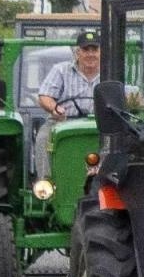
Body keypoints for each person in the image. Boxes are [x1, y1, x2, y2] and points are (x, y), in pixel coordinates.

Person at [35, 31, 101, 176]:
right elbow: (44, 96)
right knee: (43, 138)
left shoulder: (109, 72)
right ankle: (46, 185)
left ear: (100, 52)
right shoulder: (61, 70)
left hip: (99, 124)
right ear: (77, 52)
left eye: (94, 50)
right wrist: (55, 107)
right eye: (86, 50)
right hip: (63, 122)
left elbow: (127, 94)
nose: (90, 54)